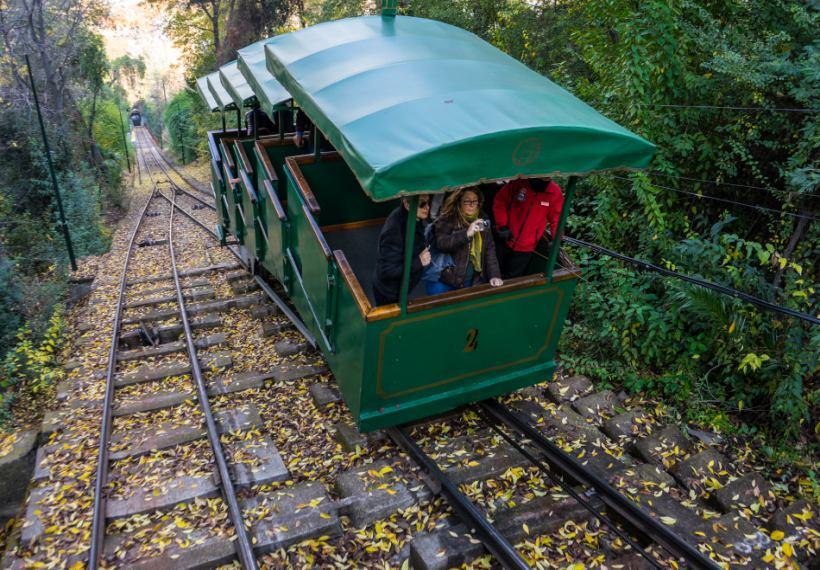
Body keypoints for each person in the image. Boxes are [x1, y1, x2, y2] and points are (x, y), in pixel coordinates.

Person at [429, 189, 503, 294]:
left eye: (475, 201)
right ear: (459, 202)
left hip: (469, 281)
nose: (471, 205)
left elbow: (489, 249)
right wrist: (466, 234)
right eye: (467, 201)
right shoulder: (447, 218)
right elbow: (441, 244)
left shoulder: (482, 219)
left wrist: (494, 275)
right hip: (443, 280)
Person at [492, 178, 564, 278]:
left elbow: (557, 220)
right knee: (493, 272)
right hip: (505, 237)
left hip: (526, 247)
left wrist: (556, 239)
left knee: (512, 278)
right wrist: (502, 225)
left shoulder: (555, 193)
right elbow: (500, 200)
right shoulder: (518, 183)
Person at [372, 195, 432, 305]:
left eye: (428, 202)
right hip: (389, 292)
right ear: (407, 205)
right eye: (422, 204)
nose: (427, 207)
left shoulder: (412, 216)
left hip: (400, 287)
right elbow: (387, 270)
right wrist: (419, 261)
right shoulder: (394, 231)